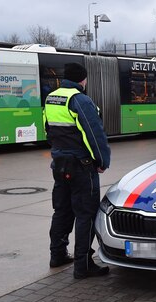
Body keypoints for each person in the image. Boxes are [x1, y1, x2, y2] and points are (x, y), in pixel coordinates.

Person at [44, 62, 111, 279]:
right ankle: (83, 265)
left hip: (60, 163)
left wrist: (59, 152)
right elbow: (93, 134)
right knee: (86, 215)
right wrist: (101, 161)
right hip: (81, 167)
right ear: (82, 80)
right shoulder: (80, 100)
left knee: (61, 211)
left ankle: (57, 255)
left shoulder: (51, 98)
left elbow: (48, 130)